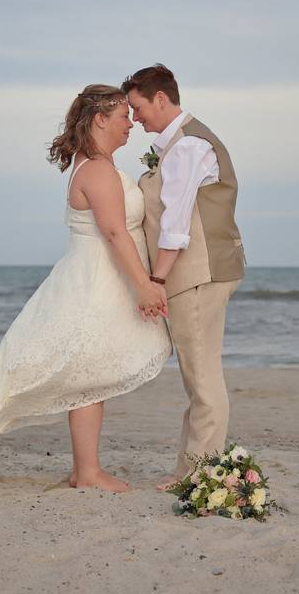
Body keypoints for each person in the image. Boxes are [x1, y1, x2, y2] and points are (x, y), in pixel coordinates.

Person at [0, 84, 172, 493]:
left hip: (96, 279)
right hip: (96, 282)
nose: (129, 123)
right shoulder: (96, 169)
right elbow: (115, 233)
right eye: (121, 116)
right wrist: (146, 286)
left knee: (90, 373)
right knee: (89, 373)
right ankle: (88, 472)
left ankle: (85, 470)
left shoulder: (93, 164)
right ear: (100, 119)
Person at [122, 64, 245, 489]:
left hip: (197, 274)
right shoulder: (176, 144)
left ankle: (201, 475)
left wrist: (155, 281)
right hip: (193, 274)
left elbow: (176, 224)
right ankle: (190, 469)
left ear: (161, 98)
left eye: (138, 108)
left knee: (204, 378)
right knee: (198, 376)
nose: (135, 119)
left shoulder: (189, 145)